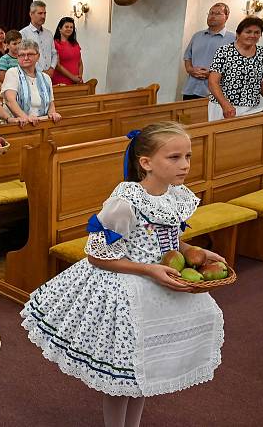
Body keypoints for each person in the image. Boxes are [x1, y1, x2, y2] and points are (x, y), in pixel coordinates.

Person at [21, 121, 225, 427]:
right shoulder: (126, 202)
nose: (185, 165)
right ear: (146, 163)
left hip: (161, 286)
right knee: (123, 373)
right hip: (127, 291)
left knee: (144, 370)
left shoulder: (174, 196)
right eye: (174, 157)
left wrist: (193, 250)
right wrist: (148, 269)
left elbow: (163, 237)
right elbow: (97, 254)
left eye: (188, 156)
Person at [208, 16, 263, 121]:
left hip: (251, 108)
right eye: (248, 32)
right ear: (238, 34)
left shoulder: (262, 53)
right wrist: (225, 104)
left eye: (257, 32)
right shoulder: (224, 51)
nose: (252, 35)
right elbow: (213, 82)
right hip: (224, 107)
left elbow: (262, 82)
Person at [182, 3, 235, 100]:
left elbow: (235, 68)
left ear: (226, 17)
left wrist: (212, 75)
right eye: (210, 13)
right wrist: (190, 69)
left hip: (215, 94)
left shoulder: (233, 39)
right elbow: (187, 57)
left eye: (217, 13)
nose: (212, 16)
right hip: (190, 89)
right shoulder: (197, 36)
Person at [1, 39, 61, 125]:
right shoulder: (12, 73)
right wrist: (26, 117)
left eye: (30, 54)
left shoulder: (46, 77)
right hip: (20, 123)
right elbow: (10, 101)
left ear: (38, 56)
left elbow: (50, 102)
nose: (25, 58)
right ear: (17, 57)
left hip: (42, 122)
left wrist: (53, 114)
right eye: (21, 55)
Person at [19, 0, 58, 76]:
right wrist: (41, 71)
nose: (43, 16)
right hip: (32, 75)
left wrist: (52, 68)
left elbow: (54, 53)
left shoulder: (49, 34)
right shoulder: (23, 34)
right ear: (31, 14)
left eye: (44, 13)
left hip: (49, 75)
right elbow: (24, 57)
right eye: (40, 13)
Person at [52, 17, 84, 86]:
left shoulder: (75, 43)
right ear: (60, 29)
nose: (69, 29)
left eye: (71, 27)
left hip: (76, 82)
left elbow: (80, 62)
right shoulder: (55, 43)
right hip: (61, 82)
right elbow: (57, 66)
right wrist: (73, 78)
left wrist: (80, 76)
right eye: (66, 27)